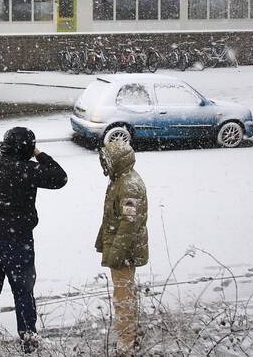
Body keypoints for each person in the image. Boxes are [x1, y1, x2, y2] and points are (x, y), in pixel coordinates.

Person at [0, 127, 67, 352]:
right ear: (26, 148)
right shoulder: (28, 170)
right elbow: (60, 177)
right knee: (23, 293)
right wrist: (39, 153)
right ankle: (28, 339)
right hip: (19, 241)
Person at [95, 140, 148, 356]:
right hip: (120, 247)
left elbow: (129, 224)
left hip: (125, 253)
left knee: (123, 297)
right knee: (124, 294)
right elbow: (112, 218)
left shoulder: (129, 185)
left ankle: (126, 344)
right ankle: (128, 335)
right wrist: (102, 241)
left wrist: (115, 254)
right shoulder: (119, 179)